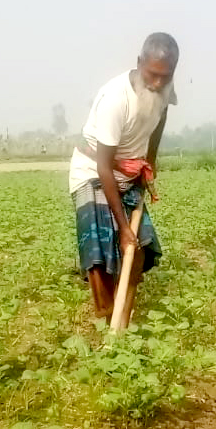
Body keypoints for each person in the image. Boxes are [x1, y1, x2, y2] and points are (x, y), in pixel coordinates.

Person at [68, 32, 179, 319]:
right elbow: (104, 165)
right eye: (152, 74)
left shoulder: (165, 88)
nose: (156, 84)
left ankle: (124, 324)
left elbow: (159, 121)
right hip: (94, 170)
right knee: (100, 255)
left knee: (137, 248)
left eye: (164, 77)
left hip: (129, 171)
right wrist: (122, 228)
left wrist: (148, 164)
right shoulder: (116, 99)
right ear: (139, 62)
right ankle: (107, 321)